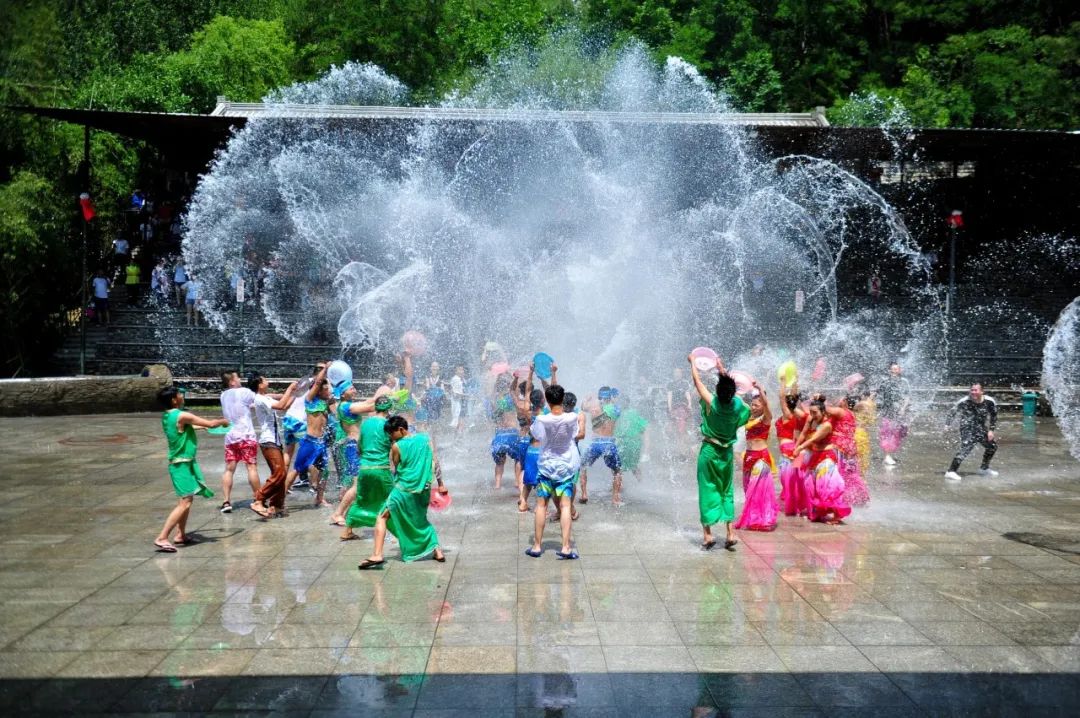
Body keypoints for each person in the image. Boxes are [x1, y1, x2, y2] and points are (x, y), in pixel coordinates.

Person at [358, 416, 447, 568]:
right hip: (423, 489)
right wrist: (441, 485)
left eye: (391, 434)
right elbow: (435, 463)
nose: (390, 438)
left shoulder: (397, 447)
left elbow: (395, 469)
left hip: (403, 490)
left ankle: (377, 555)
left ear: (401, 430)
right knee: (420, 520)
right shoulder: (425, 439)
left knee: (382, 516)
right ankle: (437, 551)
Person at [688, 354, 750, 551]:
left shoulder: (712, 403)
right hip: (726, 454)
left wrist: (693, 363)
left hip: (709, 451)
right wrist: (722, 368)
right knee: (726, 490)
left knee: (707, 489)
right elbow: (732, 390)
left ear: (717, 390)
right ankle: (730, 533)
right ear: (733, 393)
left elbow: (697, 383)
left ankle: (708, 535)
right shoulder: (738, 405)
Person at [155, 386, 227, 552]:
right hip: (180, 465)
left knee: (186, 501)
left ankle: (180, 535)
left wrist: (202, 427)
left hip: (182, 463)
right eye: (179, 394)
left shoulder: (169, 416)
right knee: (185, 503)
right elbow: (211, 423)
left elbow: (186, 427)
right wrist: (224, 421)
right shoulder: (182, 414)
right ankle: (162, 537)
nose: (182, 395)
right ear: (174, 399)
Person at [525, 384, 581, 560]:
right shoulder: (572, 418)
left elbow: (536, 436)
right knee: (565, 506)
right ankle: (565, 547)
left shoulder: (542, 420)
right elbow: (574, 435)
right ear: (562, 399)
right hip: (565, 468)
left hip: (546, 468)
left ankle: (536, 546)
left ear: (547, 401)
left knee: (541, 505)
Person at [342, 394, 395, 539]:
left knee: (361, 500)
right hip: (381, 469)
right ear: (389, 408)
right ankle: (400, 535)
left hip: (364, 469)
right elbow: (394, 447)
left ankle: (347, 531)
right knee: (393, 500)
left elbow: (359, 447)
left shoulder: (365, 423)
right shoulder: (389, 425)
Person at [793, 399, 851, 524]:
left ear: (823, 411)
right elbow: (803, 434)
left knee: (827, 487)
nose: (813, 415)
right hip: (815, 456)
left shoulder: (827, 425)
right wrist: (796, 446)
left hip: (826, 457)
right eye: (811, 412)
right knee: (810, 486)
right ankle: (819, 512)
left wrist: (800, 448)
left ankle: (836, 516)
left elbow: (813, 438)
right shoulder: (811, 419)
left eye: (815, 413)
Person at [247, 373, 297, 519]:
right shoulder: (260, 399)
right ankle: (259, 499)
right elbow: (281, 405)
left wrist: (297, 393)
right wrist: (290, 388)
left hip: (274, 440)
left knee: (280, 475)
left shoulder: (266, 397)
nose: (267, 381)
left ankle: (277, 505)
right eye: (265, 380)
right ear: (259, 384)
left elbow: (285, 405)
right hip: (268, 441)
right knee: (280, 473)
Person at [285, 364, 333, 507]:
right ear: (318, 391)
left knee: (324, 471)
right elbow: (317, 383)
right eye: (325, 390)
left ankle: (319, 498)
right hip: (310, 441)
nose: (327, 391)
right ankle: (280, 500)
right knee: (297, 469)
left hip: (321, 442)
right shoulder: (310, 400)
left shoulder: (326, 402)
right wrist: (325, 369)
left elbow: (336, 414)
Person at [734, 386, 778, 531]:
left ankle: (764, 520)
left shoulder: (766, 419)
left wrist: (760, 388)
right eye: (752, 404)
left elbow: (766, 405)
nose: (753, 407)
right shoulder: (749, 417)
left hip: (761, 457)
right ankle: (754, 519)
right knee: (748, 491)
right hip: (748, 456)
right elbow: (738, 402)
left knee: (758, 490)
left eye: (756, 405)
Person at [217, 371, 260, 514]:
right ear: (232, 382)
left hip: (230, 436)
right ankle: (258, 499)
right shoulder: (244, 391)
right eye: (237, 378)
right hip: (246, 436)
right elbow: (260, 400)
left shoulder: (223, 395)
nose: (240, 379)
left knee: (229, 469)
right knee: (251, 468)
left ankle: (226, 501)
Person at [944, 383, 998, 481]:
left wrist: (991, 430)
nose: (973, 392)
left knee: (992, 446)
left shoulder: (989, 401)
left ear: (982, 391)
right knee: (967, 446)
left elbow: (994, 416)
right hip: (966, 427)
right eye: (972, 390)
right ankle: (951, 471)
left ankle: (984, 468)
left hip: (980, 427)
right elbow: (952, 412)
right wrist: (947, 425)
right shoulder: (965, 401)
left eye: (975, 390)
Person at [580, 387, 623, 506]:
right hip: (609, 443)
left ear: (599, 397)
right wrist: (614, 400)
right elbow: (618, 412)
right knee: (617, 471)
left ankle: (584, 494)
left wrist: (586, 398)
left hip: (595, 442)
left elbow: (583, 406)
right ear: (610, 397)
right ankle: (615, 499)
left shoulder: (593, 407)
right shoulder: (615, 408)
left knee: (583, 467)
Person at [776, 387, 808, 516]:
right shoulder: (797, 416)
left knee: (788, 481)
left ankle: (794, 507)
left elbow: (781, 398)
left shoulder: (787, 415)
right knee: (797, 480)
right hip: (795, 447)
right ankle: (801, 506)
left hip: (787, 449)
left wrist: (782, 383)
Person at [489, 376, 521, 490]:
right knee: (518, 458)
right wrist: (515, 379)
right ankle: (517, 481)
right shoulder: (512, 400)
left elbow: (492, 418)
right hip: (512, 434)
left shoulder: (494, 401)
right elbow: (515, 390)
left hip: (499, 435)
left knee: (499, 462)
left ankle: (497, 484)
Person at [878, 362, 910, 466]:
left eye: (896, 369)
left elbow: (907, 396)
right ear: (889, 371)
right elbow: (878, 393)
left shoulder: (904, 382)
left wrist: (903, 408)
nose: (894, 371)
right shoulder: (885, 381)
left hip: (899, 411)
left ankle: (889, 454)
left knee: (899, 432)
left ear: (900, 370)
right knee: (887, 432)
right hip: (887, 411)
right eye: (892, 369)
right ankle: (887, 456)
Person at [448, 364, 467, 437]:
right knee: (459, 420)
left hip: (462, 402)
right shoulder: (455, 379)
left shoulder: (462, 379)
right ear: (456, 371)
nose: (462, 371)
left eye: (462, 369)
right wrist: (466, 396)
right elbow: (455, 393)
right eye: (459, 369)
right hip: (458, 402)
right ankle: (458, 438)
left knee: (461, 420)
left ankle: (458, 437)